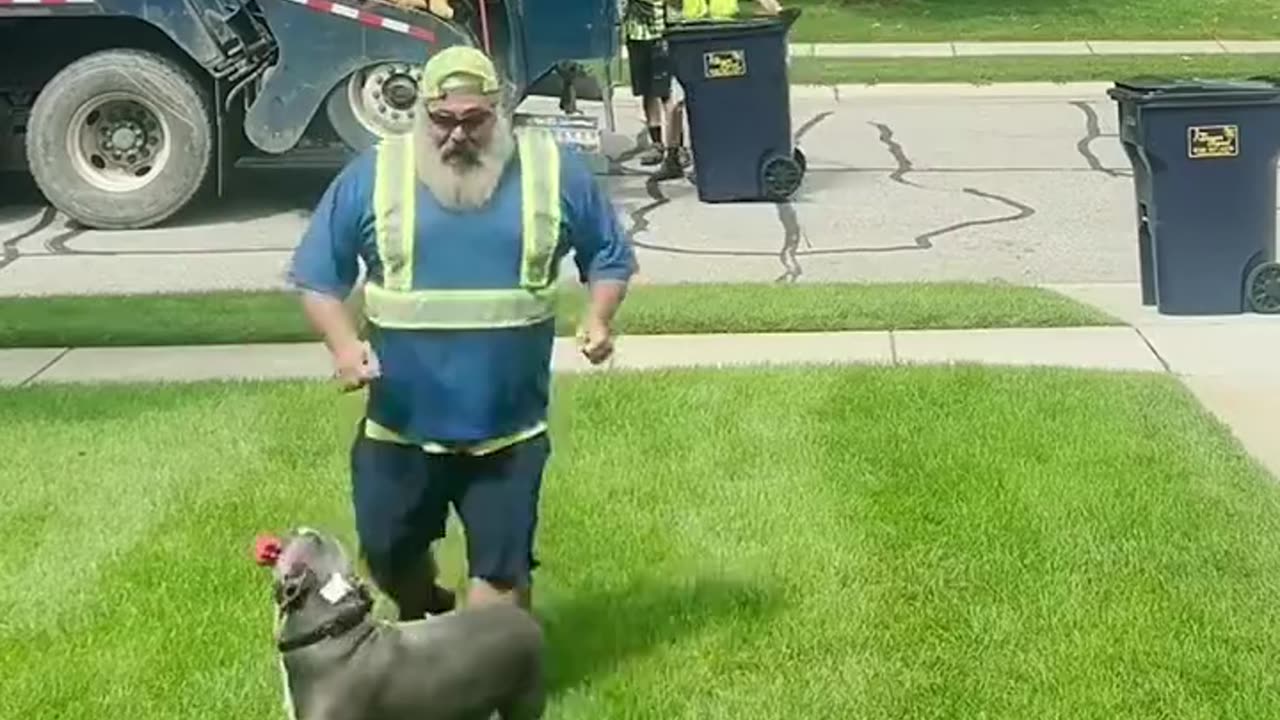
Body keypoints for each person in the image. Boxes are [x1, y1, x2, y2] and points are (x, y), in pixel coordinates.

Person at [287, 46, 636, 618]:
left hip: (507, 431)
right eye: (442, 120)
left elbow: (610, 256)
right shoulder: (375, 174)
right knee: (388, 555)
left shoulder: (552, 172)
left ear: (499, 112)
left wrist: (598, 317)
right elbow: (318, 277)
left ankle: (488, 690)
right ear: (423, 113)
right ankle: (431, 611)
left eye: (473, 120)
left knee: (499, 585)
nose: (457, 136)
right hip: (400, 428)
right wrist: (345, 346)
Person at [654, 0, 785, 182]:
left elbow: (767, 5)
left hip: (725, 43)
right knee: (674, 103)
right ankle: (672, 158)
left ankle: (713, 162)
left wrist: (775, 11)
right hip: (691, 46)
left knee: (718, 108)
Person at [623, 0, 679, 168]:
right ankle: (657, 144)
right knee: (648, 92)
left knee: (666, 93)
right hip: (637, 35)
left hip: (661, 34)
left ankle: (676, 148)